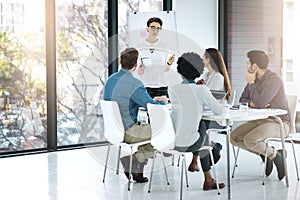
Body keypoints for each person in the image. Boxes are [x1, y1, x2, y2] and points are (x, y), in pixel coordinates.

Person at [103, 47, 168, 183]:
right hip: (129, 132)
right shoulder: (135, 84)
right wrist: (163, 102)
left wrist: (149, 101)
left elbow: (124, 99)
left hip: (113, 130)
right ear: (136, 64)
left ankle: (137, 170)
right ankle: (133, 160)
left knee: (149, 129)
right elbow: (152, 108)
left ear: (120, 61)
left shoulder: (110, 80)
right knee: (163, 131)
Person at [230, 50, 290, 180]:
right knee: (233, 137)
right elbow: (242, 100)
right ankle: (268, 154)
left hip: (279, 123)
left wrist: (252, 86)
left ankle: (275, 156)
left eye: (248, 63)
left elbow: (261, 103)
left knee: (249, 140)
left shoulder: (274, 79)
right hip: (261, 120)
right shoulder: (255, 79)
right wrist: (255, 103)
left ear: (254, 66)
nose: (246, 66)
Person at [168, 52, 225, 191]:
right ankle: (208, 177)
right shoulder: (201, 90)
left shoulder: (172, 89)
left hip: (173, 142)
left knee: (200, 127)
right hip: (192, 143)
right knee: (202, 127)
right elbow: (219, 111)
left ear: (180, 71)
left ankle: (201, 165)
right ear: (199, 71)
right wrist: (205, 92)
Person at [188, 48, 232, 172]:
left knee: (199, 127)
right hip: (206, 114)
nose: (202, 60)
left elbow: (209, 98)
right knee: (197, 126)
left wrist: (201, 88)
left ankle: (198, 158)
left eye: (203, 58)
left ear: (208, 60)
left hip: (216, 117)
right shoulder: (207, 75)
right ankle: (206, 153)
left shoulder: (218, 77)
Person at [136, 17, 175, 98]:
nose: (155, 31)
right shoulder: (140, 46)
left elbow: (165, 69)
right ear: (147, 29)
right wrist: (141, 68)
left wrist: (169, 63)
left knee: (163, 109)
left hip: (161, 85)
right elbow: (138, 71)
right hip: (145, 86)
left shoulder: (164, 45)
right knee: (145, 110)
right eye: (153, 28)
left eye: (158, 28)